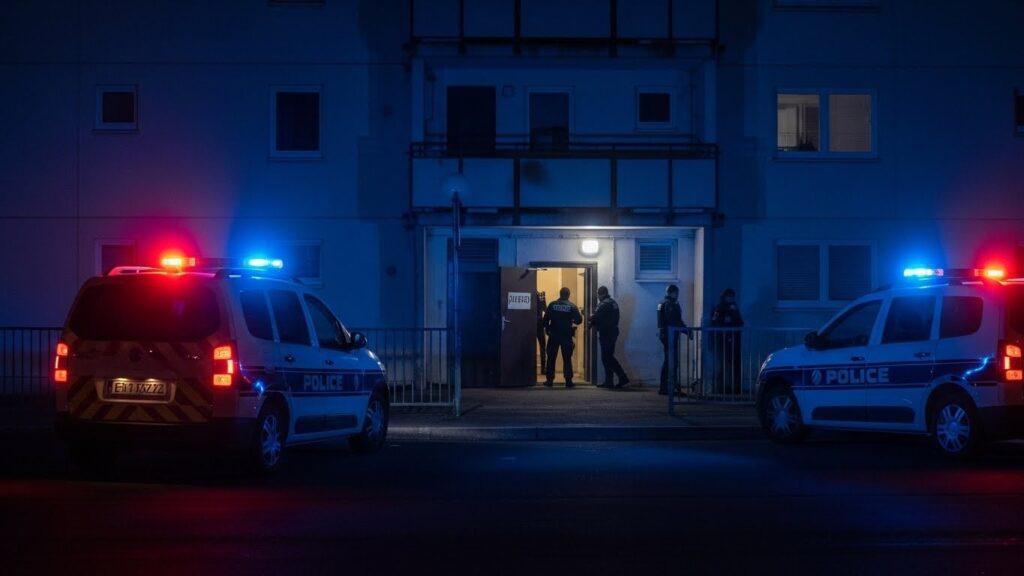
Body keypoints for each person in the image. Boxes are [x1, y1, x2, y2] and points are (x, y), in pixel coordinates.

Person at [589, 286, 629, 388]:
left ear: (601, 294)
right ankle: (611, 380)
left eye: (598, 294)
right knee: (608, 357)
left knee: (607, 357)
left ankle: (620, 378)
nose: (598, 296)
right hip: (612, 331)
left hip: (606, 333)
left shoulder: (604, 304)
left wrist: (589, 317)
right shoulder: (613, 302)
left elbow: (595, 317)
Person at [543, 287, 583, 388]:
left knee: (551, 358)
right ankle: (568, 381)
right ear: (568, 295)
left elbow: (545, 320)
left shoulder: (552, 305)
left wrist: (548, 330)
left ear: (560, 294)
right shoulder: (572, 306)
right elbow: (579, 320)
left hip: (554, 335)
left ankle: (549, 380)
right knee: (567, 358)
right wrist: (571, 321)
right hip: (566, 335)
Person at [710, 288, 744, 394]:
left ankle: (735, 387)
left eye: (732, 296)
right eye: (729, 296)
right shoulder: (720, 307)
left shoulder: (734, 306)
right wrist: (724, 321)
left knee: (735, 364)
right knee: (723, 364)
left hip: (734, 339)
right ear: (725, 296)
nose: (731, 298)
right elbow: (715, 321)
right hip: (723, 340)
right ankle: (720, 388)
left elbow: (740, 321)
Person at [657, 284, 689, 395]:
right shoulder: (669, 304)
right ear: (672, 293)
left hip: (666, 335)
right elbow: (674, 321)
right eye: (676, 293)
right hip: (669, 335)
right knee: (672, 362)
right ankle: (671, 388)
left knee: (669, 361)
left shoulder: (663, 303)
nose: (677, 295)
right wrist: (686, 331)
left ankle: (665, 387)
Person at [536, 291, 547, 375]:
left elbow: (545, 310)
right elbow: (545, 310)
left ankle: (543, 368)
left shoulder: (529, 294)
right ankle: (543, 369)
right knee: (543, 346)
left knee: (530, 347)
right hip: (540, 324)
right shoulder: (541, 295)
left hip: (532, 324)